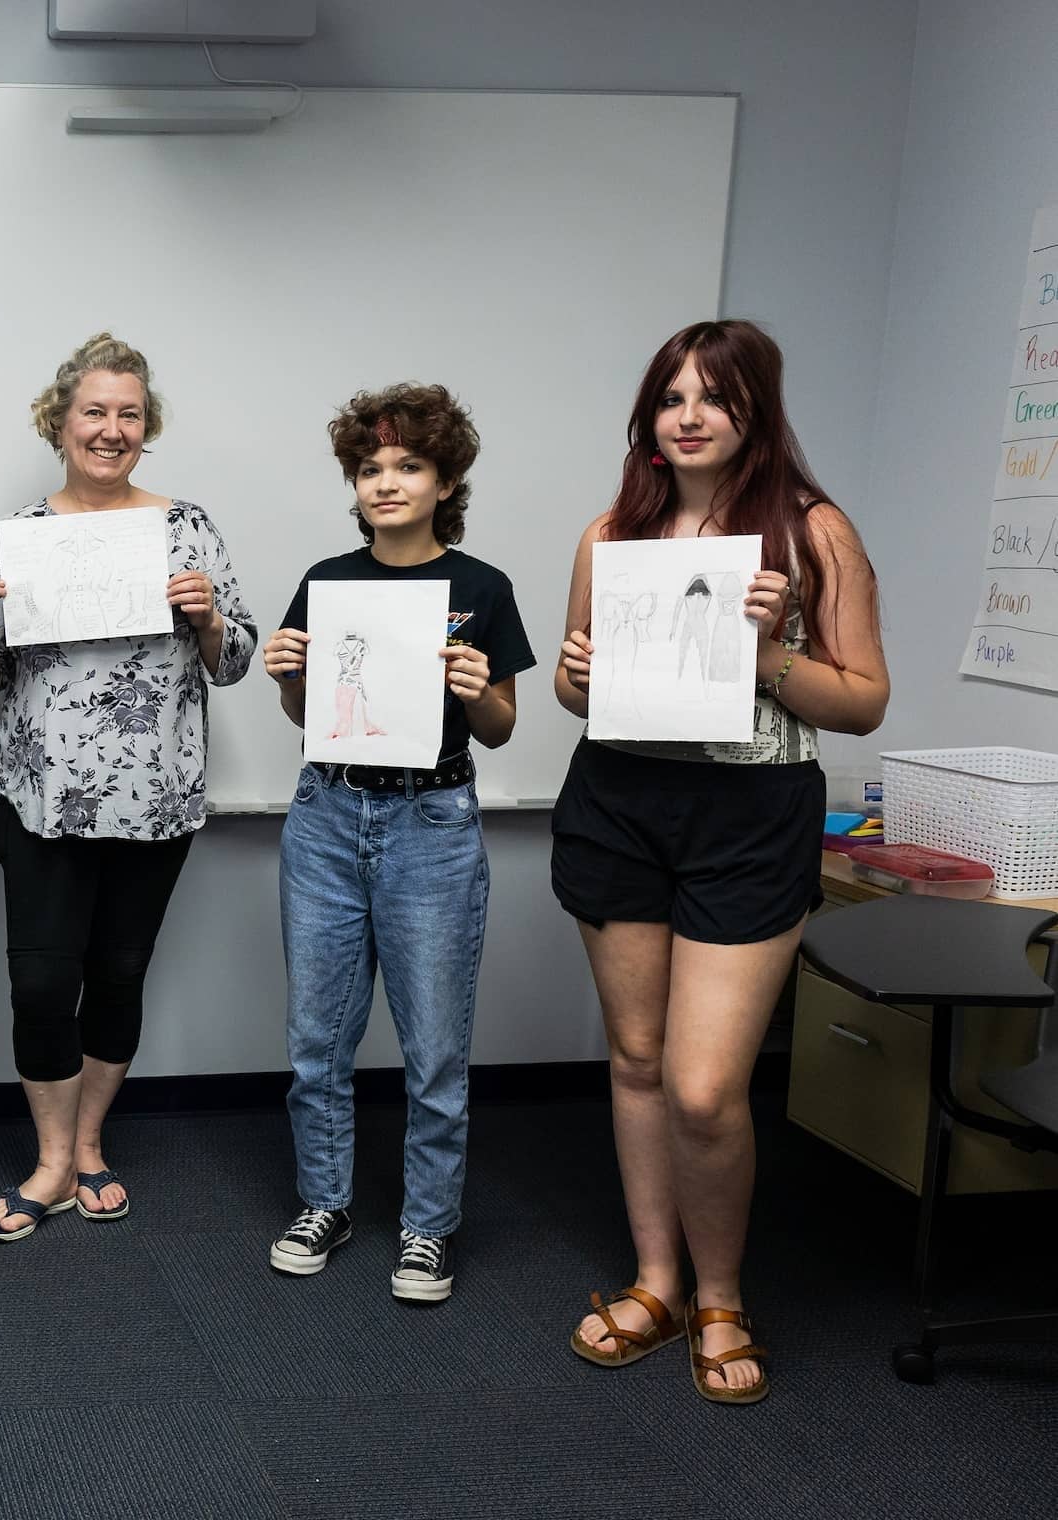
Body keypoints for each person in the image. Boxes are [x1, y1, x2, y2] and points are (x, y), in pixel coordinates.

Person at [551, 320, 888, 1403]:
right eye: (670, 397)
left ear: (755, 410)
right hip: (619, 800)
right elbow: (574, 692)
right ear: (649, 419)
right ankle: (654, 1282)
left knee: (704, 1085)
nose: (688, 414)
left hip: (751, 808)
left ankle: (721, 1293)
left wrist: (769, 650)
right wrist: (570, 670)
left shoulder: (810, 531)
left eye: (713, 395)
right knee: (638, 1059)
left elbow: (865, 699)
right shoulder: (612, 532)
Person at [0, 332, 256, 1241]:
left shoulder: (187, 528)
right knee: (42, 987)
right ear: (62, 422)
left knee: (119, 977)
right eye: (95, 411)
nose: (111, 429)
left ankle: (87, 1146)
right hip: (42, 804)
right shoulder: (18, 538)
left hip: (156, 805)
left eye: (129, 413)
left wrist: (206, 622)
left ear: (146, 426)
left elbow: (236, 662)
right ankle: (47, 1162)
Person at [260, 383, 535, 1302]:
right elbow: (309, 719)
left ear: (445, 477)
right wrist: (288, 677)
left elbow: (499, 729)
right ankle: (325, 1201)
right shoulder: (327, 581)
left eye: (408, 466)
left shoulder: (481, 587)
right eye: (370, 468)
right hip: (329, 814)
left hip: (432, 822)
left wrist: (474, 686)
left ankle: (427, 1227)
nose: (386, 483)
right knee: (316, 1038)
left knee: (434, 1047)